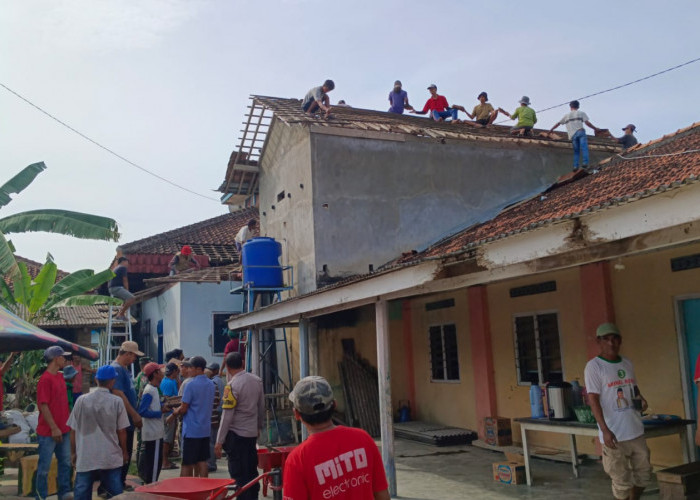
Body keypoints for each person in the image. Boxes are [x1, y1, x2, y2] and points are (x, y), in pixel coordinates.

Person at [282, 376, 390, 500]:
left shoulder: (297, 460)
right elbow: (382, 495)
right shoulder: (363, 439)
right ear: (334, 405)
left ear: (296, 414)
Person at [585, 323, 651, 500]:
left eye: (614, 339)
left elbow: (633, 388)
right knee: (621, 482)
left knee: (644, 475)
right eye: (606, 339)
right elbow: (593, 400)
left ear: (620, 341)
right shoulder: (594, 367)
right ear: (599, 342)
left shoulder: (627, 362)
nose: (611, 343)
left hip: (635, 429)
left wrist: (641, 399)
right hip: (614, 434)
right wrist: (605, 430)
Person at [68, 365, 130, 500]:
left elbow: (73, 429)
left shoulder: (82, 400)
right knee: (116, 494)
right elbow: (122, 431)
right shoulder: (117, 401)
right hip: (110, 455)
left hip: (86, 455)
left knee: (82, 492)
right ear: (113, 381)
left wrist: (73, 452)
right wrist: (124, 451)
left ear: (96, 379)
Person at [215, 352, 264, 500]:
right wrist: (258, 427)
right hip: (251, 435)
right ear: (242, 363)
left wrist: (219, 441)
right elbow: (261, 407)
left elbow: (226, 416)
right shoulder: (257, 381)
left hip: (236, 437)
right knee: (251, 471)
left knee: (238, 474)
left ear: (228, 368)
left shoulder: (231, 386)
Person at [35, 346, 72, 500]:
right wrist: (54, 427)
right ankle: (40, 496)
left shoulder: (59, 376)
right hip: (48, 431)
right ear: (56, 358)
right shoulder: (45, 379)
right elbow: (43, 405)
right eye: (63, 357)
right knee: (44, 468)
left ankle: (63, 493)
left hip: (63, 428)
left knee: (65, 463)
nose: (65, 359)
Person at [169, 356, 215, 478]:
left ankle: (185, 490)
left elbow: (184, 408)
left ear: (199, 369)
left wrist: (175, 413)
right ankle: (204, 488)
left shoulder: (191, 385)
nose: (188, 370)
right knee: (202, 461)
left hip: (192, 430)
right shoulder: (211, 384)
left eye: (191, 368)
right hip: (205, 429)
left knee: (187, 463)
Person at [111, 340, 144, 490]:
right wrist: (134, 414)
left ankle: (120, 482)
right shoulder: (116, 369)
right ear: (128, 353)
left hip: (128, 419)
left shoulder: (124, 369)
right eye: (134, 356)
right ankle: (115, 483)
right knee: (123, 452)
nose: (135, 359)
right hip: (123, 419)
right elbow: (118, 393)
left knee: (127, 451)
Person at [549, 100, 601, 171]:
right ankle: (585, 163)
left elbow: (558, 123)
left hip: (572, 135)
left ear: (570, 107)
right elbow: (587, 123)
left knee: (576, 151)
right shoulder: (581, 113)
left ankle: (575, 166)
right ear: (578, 106)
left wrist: (551, 129)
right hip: (580, 132)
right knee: (584, 148)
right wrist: (595, 128)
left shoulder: (566, 116)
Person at [137, 362, 167, 484]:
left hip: (155, 432)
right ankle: (151, 488)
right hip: (153, 433)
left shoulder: (154, 389)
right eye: (159, 371)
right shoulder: (149, 390)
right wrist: (160, 412)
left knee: (155, 463)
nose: (162, 373)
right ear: (155, 374)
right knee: (154, 466)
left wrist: (162, 406)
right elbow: (142, 411)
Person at [160, 362, 180, 470]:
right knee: (167, 439)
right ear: (175, 372)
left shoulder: (168, 381)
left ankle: (166, 460)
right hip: (169, 413)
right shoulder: (169, 382)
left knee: (168, 438)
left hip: (169, 413)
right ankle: (164, 462)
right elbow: (167, 398)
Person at [205, 362, 225, 472]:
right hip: (218, 411)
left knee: (211, 440)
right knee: (214, 438)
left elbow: (215, 400)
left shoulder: (213, 382)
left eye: (212, 370)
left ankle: (211, 463)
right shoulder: (220, 381)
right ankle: (213, 460)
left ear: (216, 370)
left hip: (214, 413)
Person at [108, 257, 136, 321]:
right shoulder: (123, 267)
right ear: (123, 261)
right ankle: (121, 314)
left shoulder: (115, 268)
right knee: (132, 298)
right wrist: (127, 291)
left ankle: (119, 314)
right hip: (116, 288)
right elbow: (125, 280)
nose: (128, 264)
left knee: (125, 300)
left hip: (112, 288)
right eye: (127, 262)